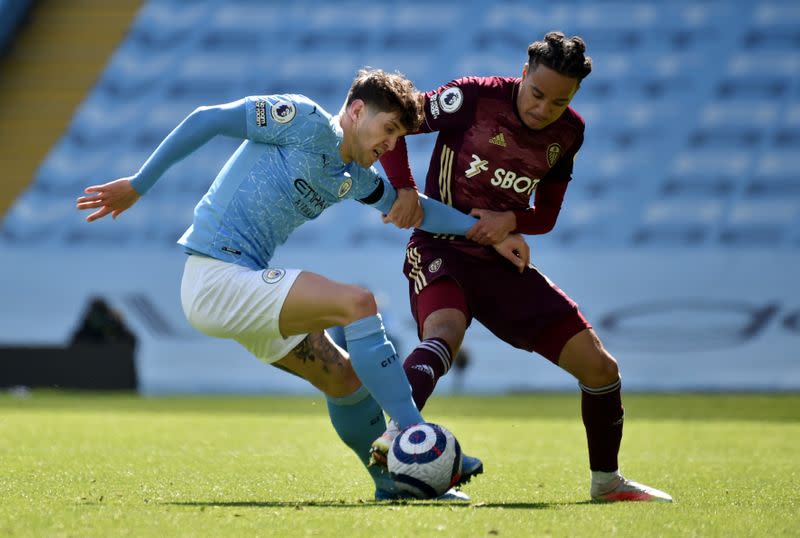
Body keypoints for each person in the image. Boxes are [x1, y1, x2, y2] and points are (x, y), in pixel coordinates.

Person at [75, 68, 529, 502]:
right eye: (387, 129)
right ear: (355, 111)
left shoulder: (352, 178)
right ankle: (415, 435)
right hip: (215, 277)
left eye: (397, 138)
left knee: (348, 380)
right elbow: (206, 119)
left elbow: (419, 210)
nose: (390, 144)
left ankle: (389, 481)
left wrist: (489, 233)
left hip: (240, 287)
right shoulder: (304, 119)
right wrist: (139, 183)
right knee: (358, 303)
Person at [373, 33, 673, 503]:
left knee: (600, 368)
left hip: (498, 263)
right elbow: (393, 125)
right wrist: (405, 188)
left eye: (559, 101)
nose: (542, 109)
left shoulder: (569, 133)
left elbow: (547, 215)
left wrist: (510, 221)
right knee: (444, 334)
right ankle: (396, 438)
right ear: (523, 72)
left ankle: (607, 483)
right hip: (439, 247)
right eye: (537, 94)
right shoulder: (473, 97)